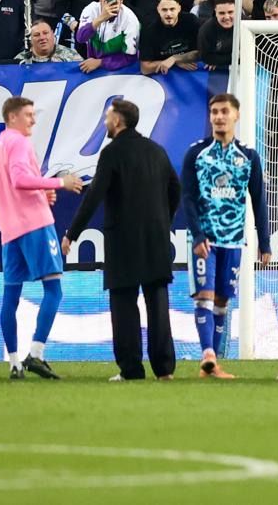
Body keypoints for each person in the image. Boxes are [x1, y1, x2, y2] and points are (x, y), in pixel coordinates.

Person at [64, 99, 179, 381]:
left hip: (123, 240)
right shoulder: (157, 151)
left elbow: (94, 196)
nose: (105, 121)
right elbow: (175, 189)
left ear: (118, 121)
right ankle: (164, 369)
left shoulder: (111, 153)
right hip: (155, 238)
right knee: (158, 303)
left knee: (124, 305)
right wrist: (163, 221)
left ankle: (131, 369)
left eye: (108, 116)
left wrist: (72, 233)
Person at [0, 96, 83, 380]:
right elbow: (19, 180)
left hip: (9, 233)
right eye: (28, 114)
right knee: (54, 290)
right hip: (35, 225)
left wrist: (38, 192)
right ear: (12, 117)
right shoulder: (19, 142)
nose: (33, 120)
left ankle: (14, 363)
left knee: (10, 297)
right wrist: (59, 183)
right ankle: (36, 354)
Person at [180, 93, 270, 379]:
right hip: (204, 240)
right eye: (214, 112)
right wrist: (197, 235)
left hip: (233, 240)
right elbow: (187, 197)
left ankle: (213, 365)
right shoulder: (196, 153)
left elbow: (258, 199)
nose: (219, 117)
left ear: (236, 115)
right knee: (204, 297)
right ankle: (208, 353)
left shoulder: (248, 156)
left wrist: (265, 243)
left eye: (224, 111)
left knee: (222, 302)